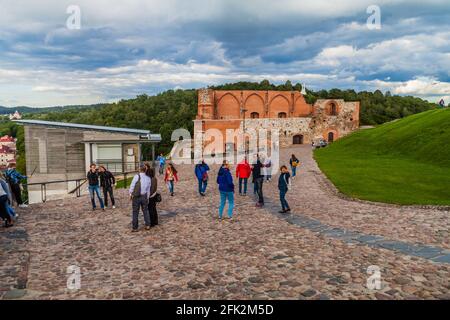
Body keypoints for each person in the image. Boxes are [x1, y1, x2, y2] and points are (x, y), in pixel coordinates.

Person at [129, 165, 151, 232]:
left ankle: (135, 227)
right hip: (144, 196)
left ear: (139, 169)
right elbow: (148, 190)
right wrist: (147, 197)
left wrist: (130, 194)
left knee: (135, 212)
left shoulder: (136, 176)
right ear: (145, 170)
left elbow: (132, 186)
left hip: (136, 196)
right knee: (145, 211)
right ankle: (148, 225)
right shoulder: (148, 178)